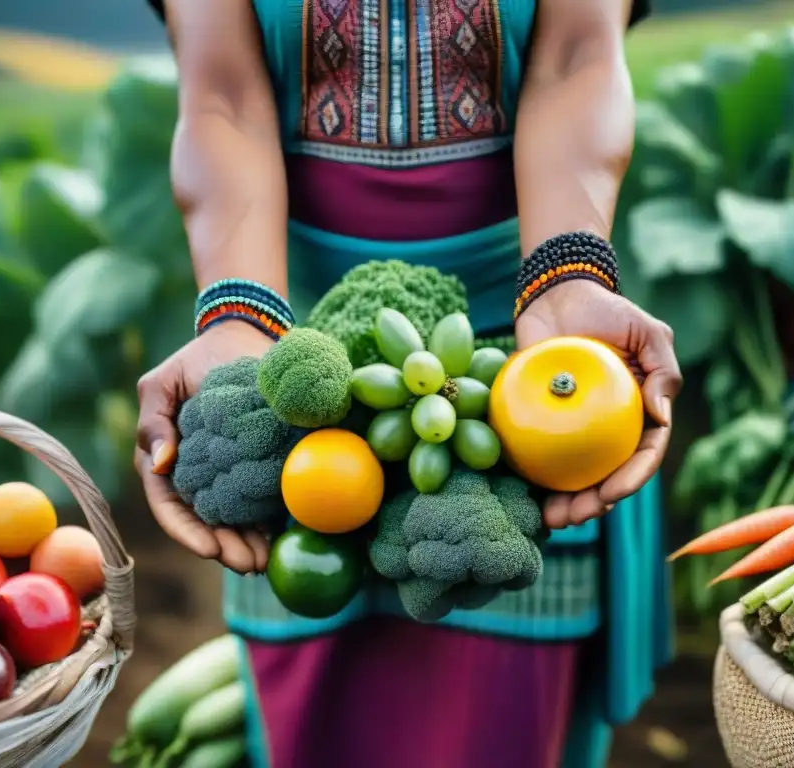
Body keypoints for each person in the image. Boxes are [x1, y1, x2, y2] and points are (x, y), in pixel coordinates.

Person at [135, 1, 683, 766]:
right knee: (315, 700)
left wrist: (565, 274)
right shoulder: (272, 377)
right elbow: (222, 97)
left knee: (505, 717)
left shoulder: (548, 356)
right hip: (293, 370)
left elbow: (575, 60)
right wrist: (238, 315)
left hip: (526, 364)